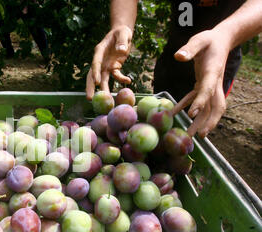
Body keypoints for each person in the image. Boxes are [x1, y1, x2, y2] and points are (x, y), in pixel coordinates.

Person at [86, 0, 262, 138]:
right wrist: (121, 25)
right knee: (159, 117)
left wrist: (227, 34)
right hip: (175, 53)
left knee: (196, 121)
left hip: (217, 62)